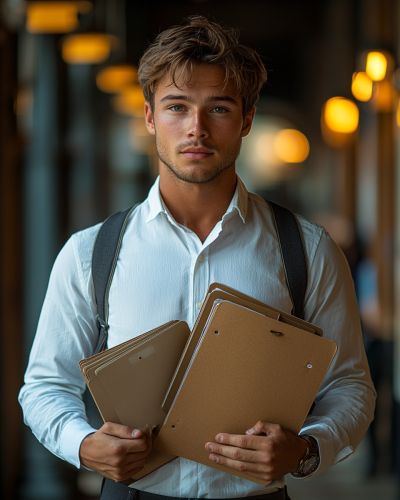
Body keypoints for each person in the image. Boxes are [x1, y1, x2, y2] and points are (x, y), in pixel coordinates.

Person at [19, 15, 375, 500]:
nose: (197, 129)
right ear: (149, 117)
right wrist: (82, 445)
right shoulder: (90, 253)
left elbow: (351, 386)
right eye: (177, 106)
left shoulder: (309, 249)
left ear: (247, 118)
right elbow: (43, 387)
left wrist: (307, 450)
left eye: (219, 108)